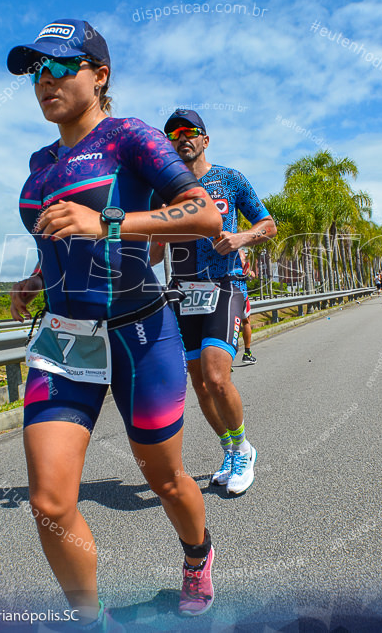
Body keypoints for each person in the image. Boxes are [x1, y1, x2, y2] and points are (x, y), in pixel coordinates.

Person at [6, 20, 222, 625]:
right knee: (49, 502)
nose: (44, 81)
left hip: (140, 335)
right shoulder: (41, 161)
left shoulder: (130, 138)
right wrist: (36, 275)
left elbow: (202, 213)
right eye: (34, 72)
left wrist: (108, 224)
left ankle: (197, 553)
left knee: (166, 479)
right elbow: (61, 230)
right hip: (64, 341)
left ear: (99, 75)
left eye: (59, 67)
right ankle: (88, 618)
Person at [151, 108, 276, 495]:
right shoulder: (165, 193)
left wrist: (240, 239)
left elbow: (268, 225)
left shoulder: (230, 179)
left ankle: (243, 450)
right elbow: (154, 252)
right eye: (172, 134)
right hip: (182, 291)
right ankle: (230, 448)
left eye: (189, 131)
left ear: (205, 139)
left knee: (217, 376)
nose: (180, 138)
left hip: (225, 284)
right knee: (200, 385)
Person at [239, 248, 257, 364]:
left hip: (220, 292)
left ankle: (226, 360)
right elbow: (246, 270)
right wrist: (249, 273)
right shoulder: (237, 250)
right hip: (240, 292)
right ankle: (247, 353)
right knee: (246, 322)